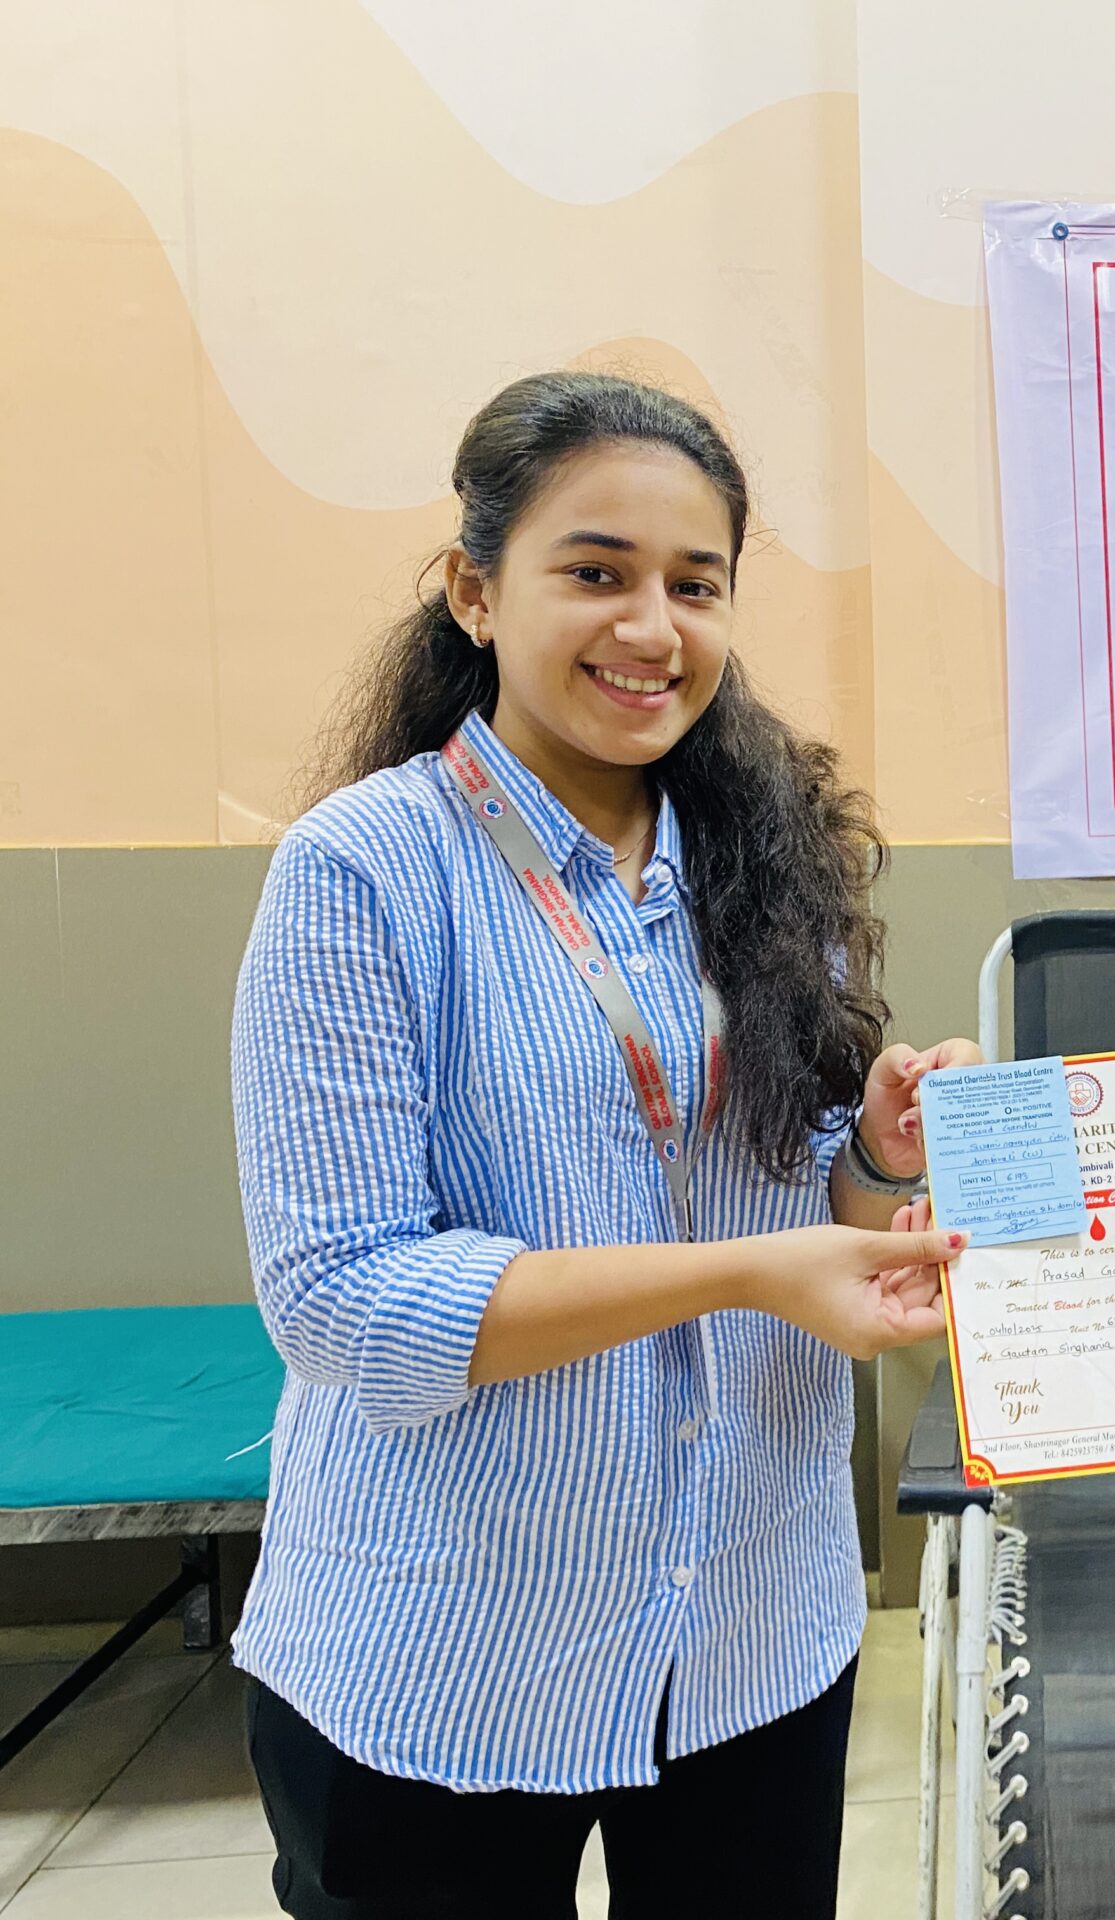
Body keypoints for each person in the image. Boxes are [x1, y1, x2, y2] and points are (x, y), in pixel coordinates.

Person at [229, 372, 973, 1918]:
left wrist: (881, 1155)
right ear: (475, 590)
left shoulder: (771, 860)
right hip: (448, 1654)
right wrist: (747, 1272)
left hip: (753, 1635)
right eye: (596, 571)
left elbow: (817, 1200)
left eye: (696, 584)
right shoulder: (363, 872)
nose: (652, 626)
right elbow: (345, 1303)